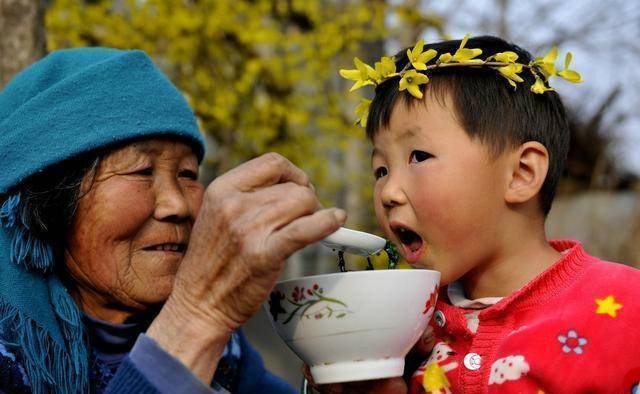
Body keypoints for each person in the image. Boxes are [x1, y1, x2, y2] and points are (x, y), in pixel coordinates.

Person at [0, 47, 346, 393]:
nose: (177, 204)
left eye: (187, 173)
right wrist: (196, 319)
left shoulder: (229, 357)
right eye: (142, 170)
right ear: (48, 201)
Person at [318, 35, 640, 392]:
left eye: (418, 157)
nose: (389, 193)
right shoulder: (398, 332)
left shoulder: (630, 310)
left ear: (521, 174)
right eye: (381, 170)